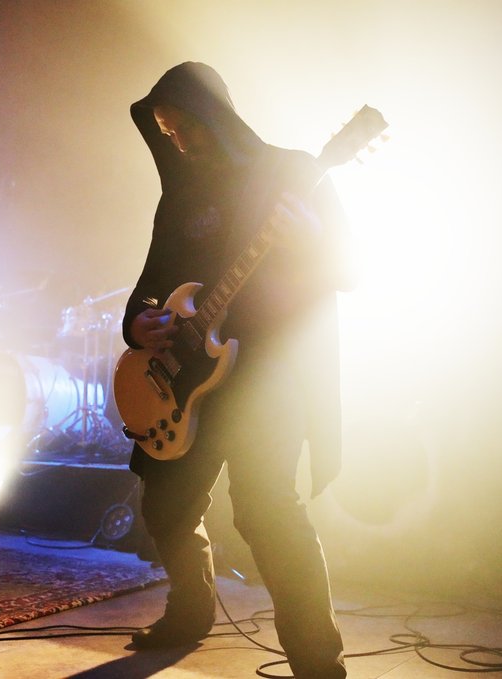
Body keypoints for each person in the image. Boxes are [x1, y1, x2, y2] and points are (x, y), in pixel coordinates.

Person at [121, 62, 355, 678]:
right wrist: (140, 322)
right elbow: (149, 284)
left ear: (217, 115)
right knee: (166, 504)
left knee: (267, 511)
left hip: (269, 377)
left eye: (186, 126)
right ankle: (190, 611)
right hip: (186, 374)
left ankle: (319, 663)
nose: (178, 142)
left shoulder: (294, 173)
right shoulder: (180, 196)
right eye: (167, 132)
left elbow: (351, 267)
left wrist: (312, 242)